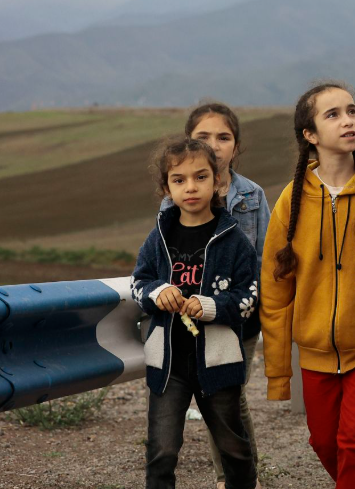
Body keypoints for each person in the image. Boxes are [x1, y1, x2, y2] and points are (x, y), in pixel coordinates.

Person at [260, 82, 355, 488]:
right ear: (309, 135)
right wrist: (278, 372)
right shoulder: (291, 201)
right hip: (313, 353)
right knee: (325, 442)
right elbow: (275, 293)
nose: (348, 121)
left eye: (352, 111)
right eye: (333, 114)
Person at [132, 137, 260, 489]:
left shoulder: (234, 240)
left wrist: (210, 307)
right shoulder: (159, 236)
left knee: (234, 448)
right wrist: (159, 292)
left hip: (218, 363)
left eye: (201, 177)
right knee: (162, 450)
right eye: (179, 180)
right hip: (168, 364)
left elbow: (250, 297)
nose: (191, 187)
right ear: (166, 187)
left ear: (217, 181)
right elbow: (139, 283)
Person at [160, 101, 269, 489]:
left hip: (239, 318)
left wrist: (261, 311)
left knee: (229, 396)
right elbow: (164, 255)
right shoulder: (174, 198)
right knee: (211, 397)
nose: (215, 144)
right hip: (188, 321)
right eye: (203, 136)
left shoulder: (252, 196)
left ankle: (236, 479)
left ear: (236, 147)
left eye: (224, 137)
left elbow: (264, 260)